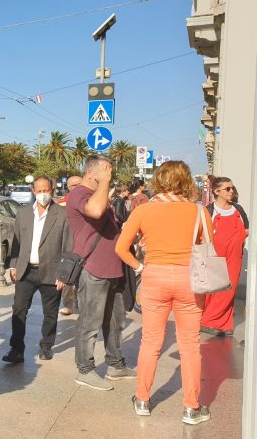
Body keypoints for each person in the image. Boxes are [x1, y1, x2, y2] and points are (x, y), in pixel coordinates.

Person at [115, 160, 213, 425]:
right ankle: (191, 408)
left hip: (155, 277)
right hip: (189, 280)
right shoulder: (200, 212)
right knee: (191, 346)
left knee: (151, 342)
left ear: (158, 179)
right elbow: (208, 247)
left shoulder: (144, 210)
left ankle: (143, 399)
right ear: (186, 180)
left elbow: (122, 247)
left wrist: (140, 267)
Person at [66, 154, 135, 391]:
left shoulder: (101, 194)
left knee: (115, 322)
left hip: (113, 268)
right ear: (92, 172)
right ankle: (85, 369)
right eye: (106, 171)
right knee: (90, 322)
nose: (110, 174)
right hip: (93, 269)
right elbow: (95, 212)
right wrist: (104, 183)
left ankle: (115, 364)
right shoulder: (79, 194)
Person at [4, 176, 71, 363]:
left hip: (52, 271)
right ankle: (16, 349)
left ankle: (46, 346)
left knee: (50, 312)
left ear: (52, 190)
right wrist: (13, 264)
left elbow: (69, 247)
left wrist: (64, 274)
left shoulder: (62, 215)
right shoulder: (23, 213)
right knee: (18, 310)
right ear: (33, 191)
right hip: (26, 270)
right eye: (39, 191)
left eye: (46, 190)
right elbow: (16, 242)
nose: (43, 194)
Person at [201, 176, 249, 336]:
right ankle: (211, 322)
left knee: (229, 288)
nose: (231, 191)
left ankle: (217, 322)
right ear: (216, 191)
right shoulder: (208, 210)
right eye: (227, 189)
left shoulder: (238, 209)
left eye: (232, 188)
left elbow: (247, 230)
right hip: (214, 255)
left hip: (234, 256)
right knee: (213, 290)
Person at [58, 175, 81, 316]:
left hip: (86, 247)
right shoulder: (62, 203)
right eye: (74, 185)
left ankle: (81, 302)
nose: (78, 188)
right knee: (67, 277)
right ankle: (68, 304)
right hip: (68, 246)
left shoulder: (90, 201)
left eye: (80, 184)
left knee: (82, 278)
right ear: (68, 187)